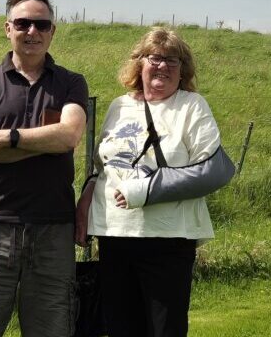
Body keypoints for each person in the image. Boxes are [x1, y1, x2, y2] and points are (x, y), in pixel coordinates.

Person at [77, 28, 235, 337]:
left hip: (168, 239)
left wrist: (145, 190)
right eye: (154, 58)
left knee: (165, 330)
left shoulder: (191, 105)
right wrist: (85, 201)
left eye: (171, 60)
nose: (162, 66)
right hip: (114, 235)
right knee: (122, 328)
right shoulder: (119, 106)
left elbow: (213, 171)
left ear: (183, 69)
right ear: (139, 64)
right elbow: (102, 166)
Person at [0, 0, 89, 337]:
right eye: (24, 23)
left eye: (41, 24)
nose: (33, 32)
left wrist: (7, 137)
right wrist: (48, 140)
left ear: (52, 32)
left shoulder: (71, 83)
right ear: (7, 28)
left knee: (52, 330)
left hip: (53, 228)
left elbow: (70, 136)